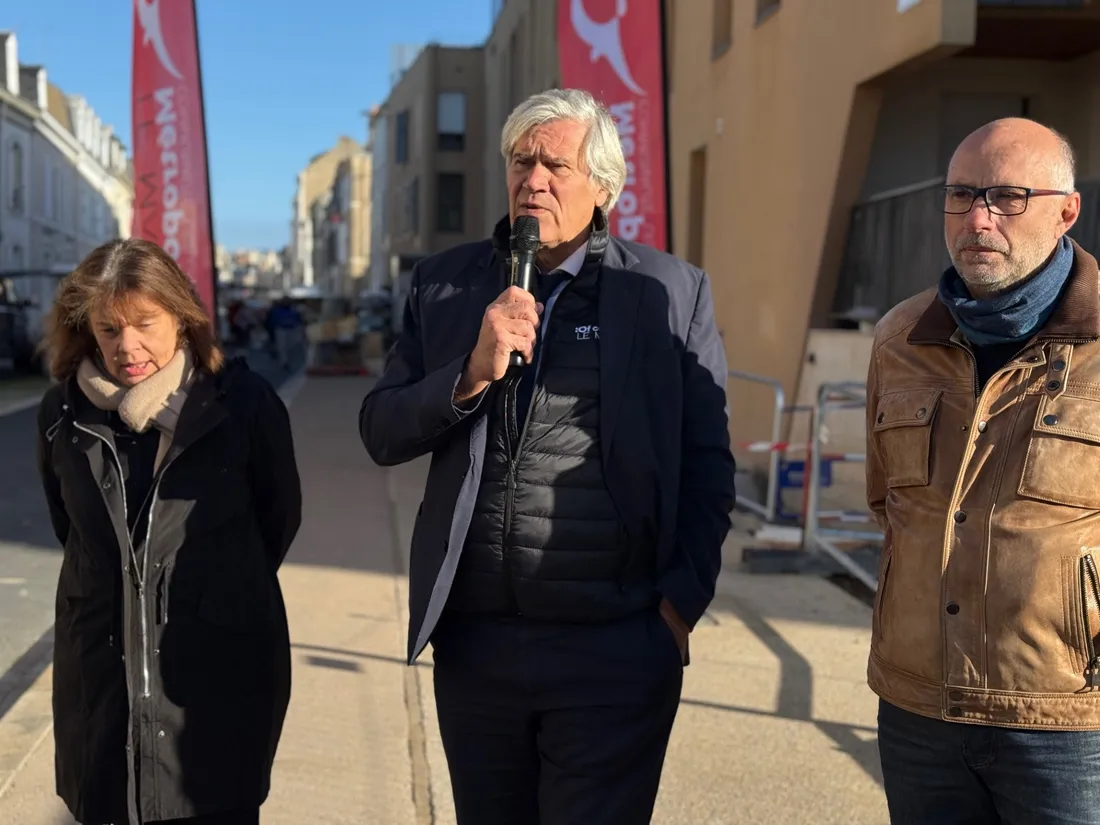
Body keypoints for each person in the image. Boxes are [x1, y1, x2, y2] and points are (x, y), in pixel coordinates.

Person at [359, 88, 736, 824]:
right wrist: (470, 370)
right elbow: (382, 429)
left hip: (616, 646)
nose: (534, 178)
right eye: (521, 160)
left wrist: (677, 606)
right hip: (477, 648)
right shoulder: (446, 284)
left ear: (603, 186)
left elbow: (708, 461)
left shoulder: (665, 290)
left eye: (555, 164)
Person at [865, 118, 1100, 824]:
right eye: (963, 194)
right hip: (917, 706)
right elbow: (889, 505)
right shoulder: (900, 339)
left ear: (1067, 210)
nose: (978, 218)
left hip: (1066, 719)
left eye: (1006, 196)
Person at [35, 238, 302, 825]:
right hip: (102, 693)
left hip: (213, 686)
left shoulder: (243, 404)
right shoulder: (61, 413)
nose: (127, 349)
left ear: (181, 316)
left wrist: (210, 594)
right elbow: (71, 529)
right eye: (108, 330)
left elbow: (275, 522)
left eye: (144, 325)